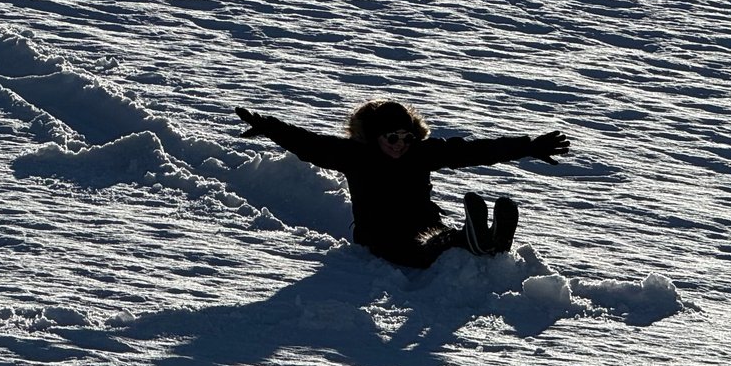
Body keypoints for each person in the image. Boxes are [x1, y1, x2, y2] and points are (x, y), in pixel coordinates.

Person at [234, 99, 570, 269]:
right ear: (375, 136)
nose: (400, 144)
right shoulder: (354, 155)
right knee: (426, 251)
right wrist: (268, 127)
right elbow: (309, 143)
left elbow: (473, 150)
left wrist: (528, 146)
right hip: (381, 239)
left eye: (407, 137)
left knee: (438, 238)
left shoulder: (420, 154)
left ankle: (487, 239)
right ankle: (470, 238)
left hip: (424, 225)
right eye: (392, 137)